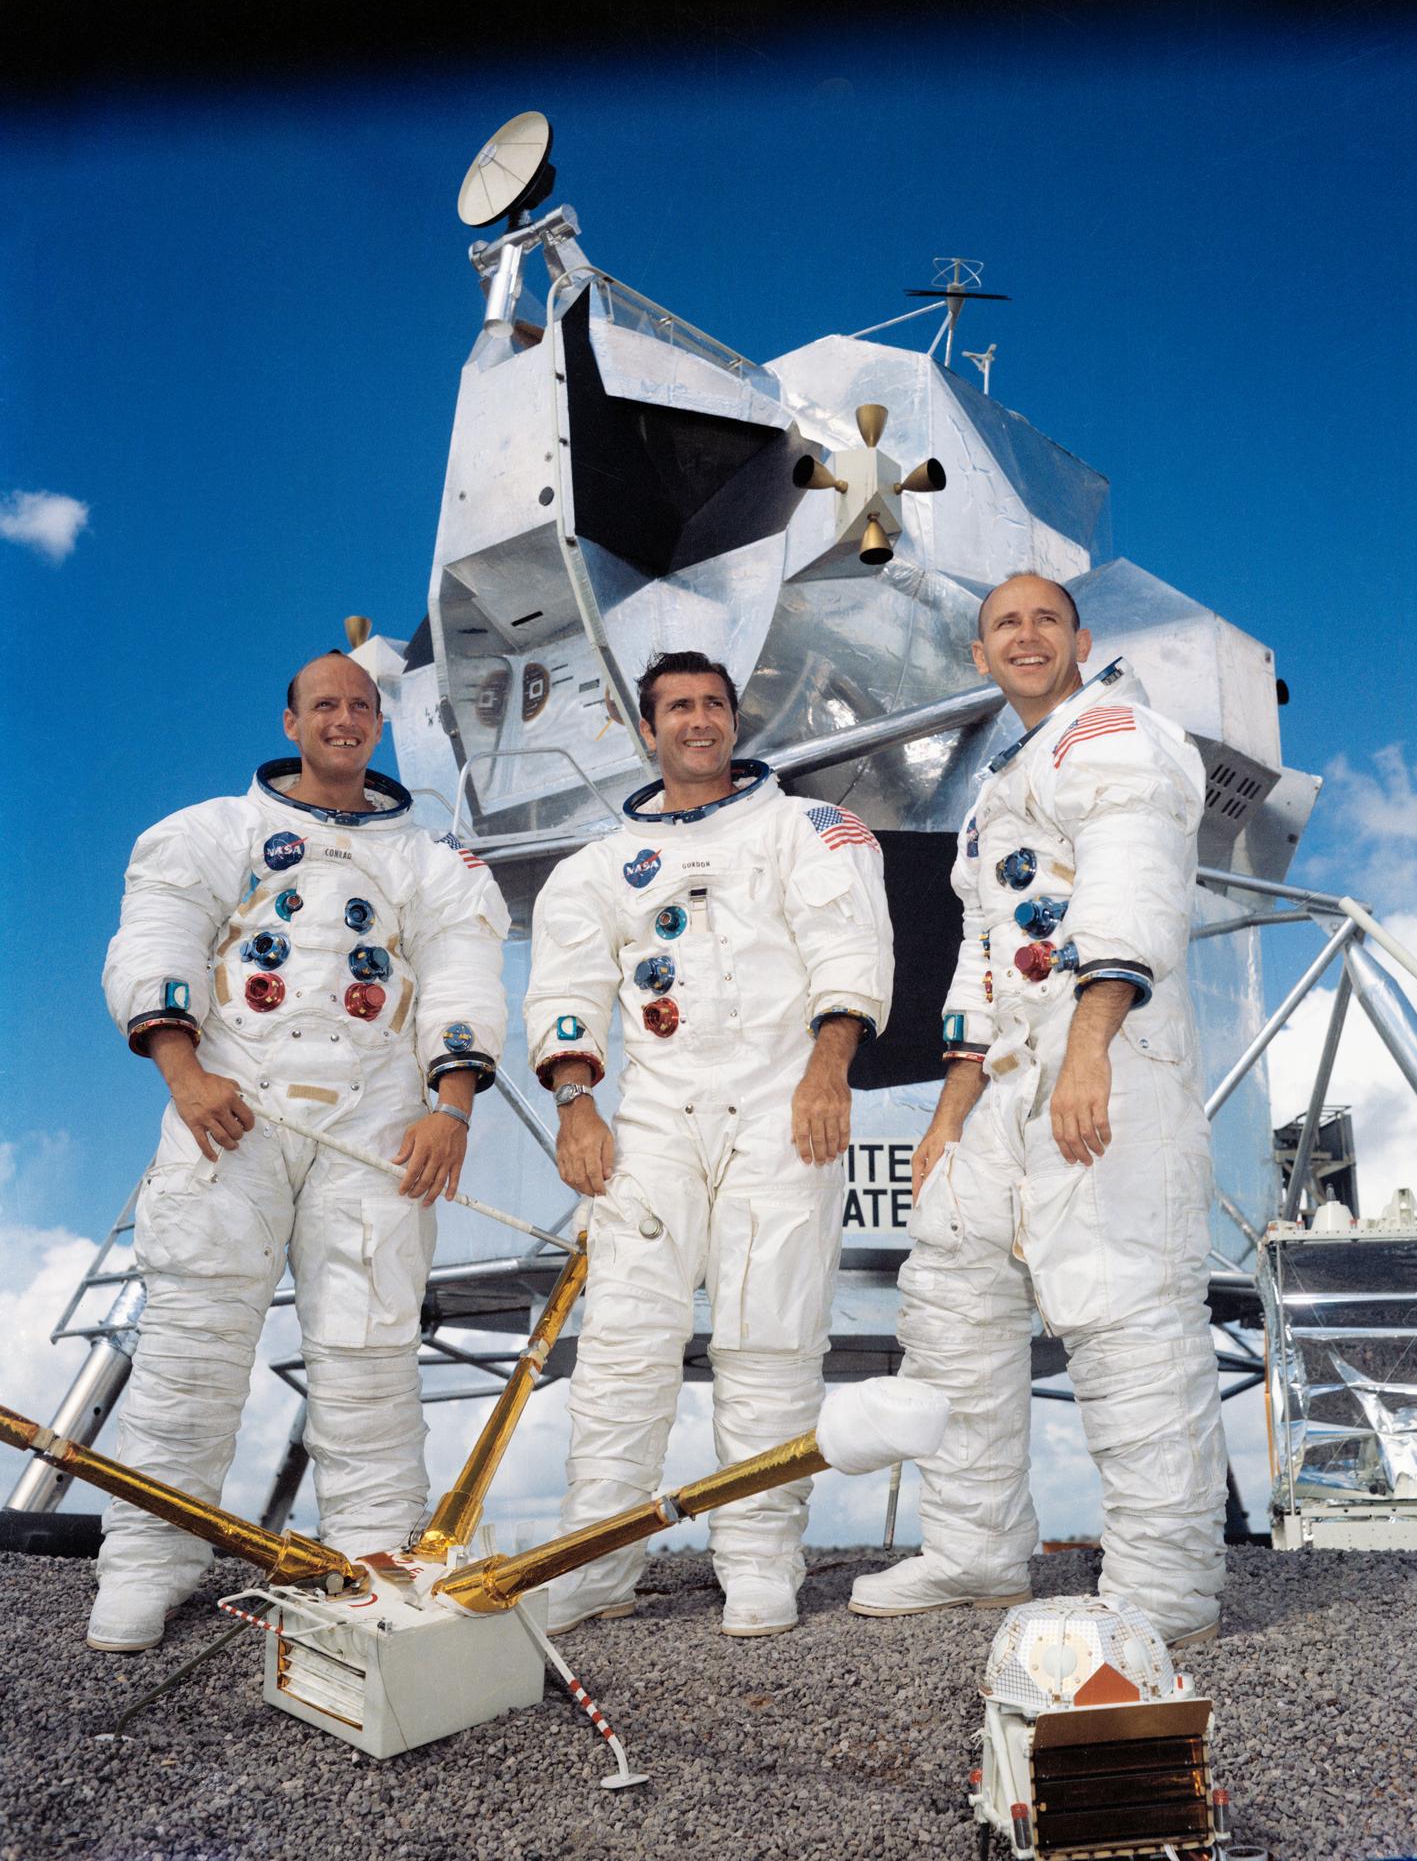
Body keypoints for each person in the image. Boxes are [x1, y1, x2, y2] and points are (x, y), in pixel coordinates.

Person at [91, 652, 509, 1651]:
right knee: (190, 1353)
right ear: (291, 721)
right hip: (230, 1110)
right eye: (325, 704)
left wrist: (450, 1110)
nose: (345, 719)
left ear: (377, 725)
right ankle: (145, 1566)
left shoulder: (432, 862)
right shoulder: (209, 834)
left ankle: (374, 1569)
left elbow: (461, 979)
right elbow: (156, 942)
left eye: (361, 706)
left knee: (368, 1356)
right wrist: (185, 1076)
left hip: (374, 1121)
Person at [848, 572, 1227, 1645]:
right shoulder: (1005, 781)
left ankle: (1165, 1587)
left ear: (1079, 638)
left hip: (1110, 1059)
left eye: (1044, 620)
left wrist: (1092, 1048)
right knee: (953, 1297)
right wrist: (948, 1112)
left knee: (1125, 1310)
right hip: (1009, 1083)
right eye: (1004, 624)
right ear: (980, 656)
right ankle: (976, 1547)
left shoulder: (1117, 735)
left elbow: (1129, 889)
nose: (1025, 635)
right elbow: (980, 960)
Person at [525, 649, 893, 1638]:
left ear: (735, 720)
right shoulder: (593, 869)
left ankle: (760, 1559)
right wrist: (575, 1106)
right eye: (678, 708)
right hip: (655, 1110)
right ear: (648, 731)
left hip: (782, 1097)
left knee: (770, 1334)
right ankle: (593, 1561)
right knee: (623, 1341)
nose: (698, 720)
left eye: (714, 705)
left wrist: (829, 1070)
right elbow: (565, 994)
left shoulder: (809, 829)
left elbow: (848, 949)